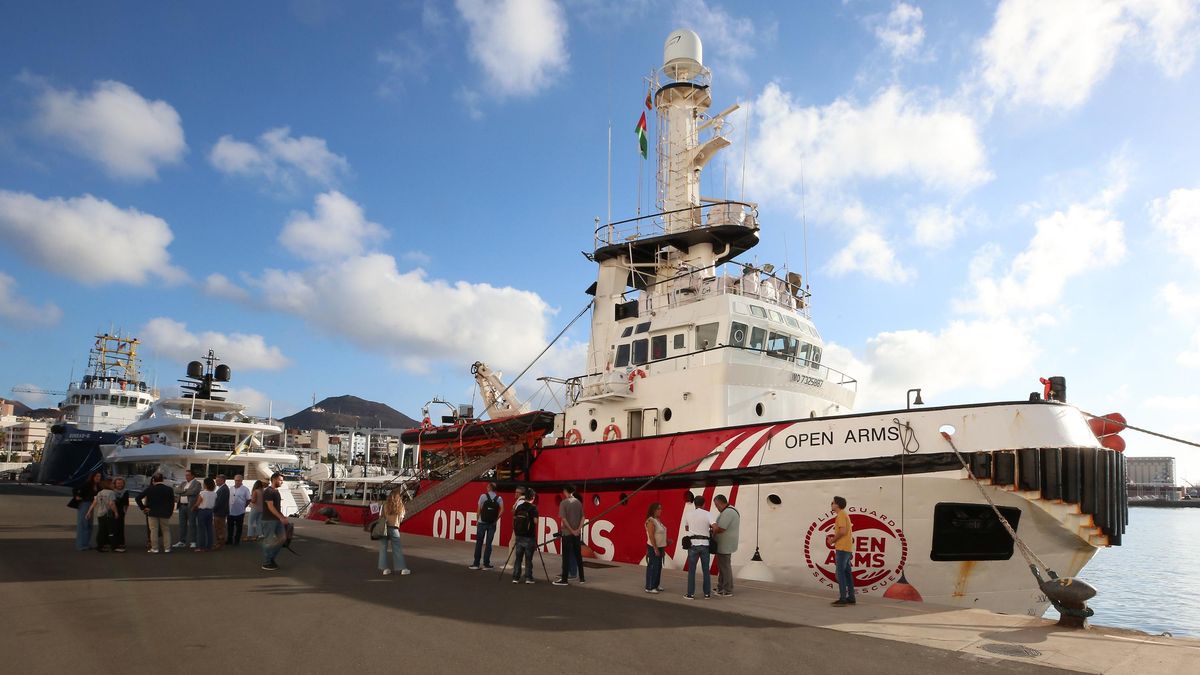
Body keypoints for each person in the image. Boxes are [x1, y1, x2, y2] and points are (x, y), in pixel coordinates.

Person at [552, 485, 585, 586]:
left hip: (567, 534)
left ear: (566, 491)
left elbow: (564, 519)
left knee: (565, 557)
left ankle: (564, 579)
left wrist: (571, 530)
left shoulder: (563, 503)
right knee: (578, 556)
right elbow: (583, 517)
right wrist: (578, 530)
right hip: (576, 534)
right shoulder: (578, 502)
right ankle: (582, 578)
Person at [684, 494, 714, 599]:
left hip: (693, 544)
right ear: (704, 504)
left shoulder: (688, 514)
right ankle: (707, 594)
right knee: (706, 570)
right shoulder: (708, 514)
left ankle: (690, 594)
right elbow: (715, 526)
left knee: (691, 570)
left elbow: (687, 528)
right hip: (705, 544)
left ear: (695, 504)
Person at [137, 473, 175, 553]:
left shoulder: (150, 489)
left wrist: (143, 508)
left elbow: (138, 498)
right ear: (163, 480)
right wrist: (170, 512)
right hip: (165, 512)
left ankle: (155, 548)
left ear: (153, 480)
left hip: (152, 512)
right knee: (166, 530)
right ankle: (167, 548)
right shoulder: (169, 489)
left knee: (153, 530)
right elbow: (172, 502)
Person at [468, 482, 502, 570]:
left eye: (487, 486)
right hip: (492, 523)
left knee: (479, 543)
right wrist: (496, 519)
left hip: (481, 522)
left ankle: (476, 564)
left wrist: (477, 520)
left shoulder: (483, 496)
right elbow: (502, 510)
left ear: (489, 488)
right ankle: (486, 564)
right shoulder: (499, 498)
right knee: (488, 544)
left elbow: (479, 509)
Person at [378, 487, 411, 576]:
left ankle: (385, 569)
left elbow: (380, 516)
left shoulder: (384, 505)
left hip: (384, 528)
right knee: (397, 549)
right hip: (394, 529)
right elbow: (401, 518)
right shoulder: (400, 506)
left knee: (383, 548)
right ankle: (402, 569)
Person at [712, 494, 740, 597]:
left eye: (716, 505)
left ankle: (727, 589)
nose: (716, 507)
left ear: (720, 503)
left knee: (725, 567)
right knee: (723, 566)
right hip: (726, 544)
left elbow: (721, 529)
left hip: (725, 545)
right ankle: (721, 587)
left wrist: (712, 528)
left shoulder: (728, 512)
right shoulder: (730, 509)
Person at [260, 472, 288, 571]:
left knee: (283, 538)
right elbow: (270, 506)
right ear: (274, 479)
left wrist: (282, 516)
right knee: (269, 541)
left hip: (276, 520)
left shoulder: (275, 491)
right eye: (280, 480)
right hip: (269, 520)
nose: (282, 482)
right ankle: (267, 562)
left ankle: (271, 557)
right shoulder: (269, 491)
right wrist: (280, 517)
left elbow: (276, 507)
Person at [831, 496, 856, 606]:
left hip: (842, 548)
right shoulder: (845, 514)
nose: (831, 504)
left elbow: (842, 531)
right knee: (847, 573)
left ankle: (843, 599)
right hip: (847, 548)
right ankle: (851, 597)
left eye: (832, 502)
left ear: (837, 504)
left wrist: (832, 540)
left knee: (840, 574)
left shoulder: (841, 515)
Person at [511, 488, 538, 584]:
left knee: (518, 558)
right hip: (529, 536)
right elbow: (535, 521)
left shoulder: (520, 507)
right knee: (528, 558)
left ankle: (515, 577)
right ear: (533, 497)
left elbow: (514, 518)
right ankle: (528, 578)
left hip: (519, 535)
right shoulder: (533, 508)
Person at [73, 471, 102, 551]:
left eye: (99, 476)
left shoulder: (98, 486)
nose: (98, 478)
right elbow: (75, 489)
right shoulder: (87, 484)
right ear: (92, 477)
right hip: (84, 504)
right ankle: (81, 545)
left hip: (91, 505)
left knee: (89, 525)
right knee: (83, 524)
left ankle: (86, 543)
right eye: (97, 476)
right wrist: (77, 496)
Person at [173, 469, 201, 548]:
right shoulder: (183, 483)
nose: (186, 477)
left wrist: (183, 491)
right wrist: (184, 490)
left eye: (188, 475)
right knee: (182, 525)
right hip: (182, 506)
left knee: (192, 524)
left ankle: (193, 541)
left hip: (191, 506)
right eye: (186, 475)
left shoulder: (197, 483)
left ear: (192, 476)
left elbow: (194, 492)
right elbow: (176, 490)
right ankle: (182, 541)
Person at [88, 479, 117, 552]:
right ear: (108, 485)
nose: (114, 485)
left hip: (100, 514)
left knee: (101, 530)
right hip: (108, 514)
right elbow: (111, 504)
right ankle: (113, 546)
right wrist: (116, 512)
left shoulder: (100, 492)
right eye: (112, 484)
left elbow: (94, 503)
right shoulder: (111, 492)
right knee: (111, 530)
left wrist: (88, 512)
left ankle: (99, 546)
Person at [644, 502, 667, 594]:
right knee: (653, 566)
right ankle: (649, 586)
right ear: (654, 510)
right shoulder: (651, 521)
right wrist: (655, 548)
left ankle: (656, 585)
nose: (660, 510)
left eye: (661, 508)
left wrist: (666, 542)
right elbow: (651, 536)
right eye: (658, 509)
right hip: (654, 547)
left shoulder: (658, 521)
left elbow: (660, 534)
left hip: (660, 547)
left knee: (659, 566)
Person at [194, 477, 216, 552]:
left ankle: (201, 547)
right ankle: (209, 546)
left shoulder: (202, 493)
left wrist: (193, 507)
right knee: (209, 529)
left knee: (201, 530)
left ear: (206, 484)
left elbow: (198, 503)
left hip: (202, 511)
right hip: (210, 511)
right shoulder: (214, 493)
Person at [227, 474, 251, 545]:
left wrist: (244, 506)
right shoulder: (231, 488)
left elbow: (249, 499)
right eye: (236, 480)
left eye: (239, 481)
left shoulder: (245, 489)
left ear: (241, 481)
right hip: (230, 511)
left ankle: (237, 540)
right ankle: (229, 540)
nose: (237, 482)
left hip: (240, 511)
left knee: (239, 527)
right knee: (230, 527)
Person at [109, 477, 129, 553]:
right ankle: (114, 543)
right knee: (113, 528)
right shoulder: (112, 492)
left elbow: (126, 503)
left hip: (121, 512)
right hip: (113, 511)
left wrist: (125, 511)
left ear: (123, 484)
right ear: (115, 484)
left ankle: (121, 543)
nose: (120, 485)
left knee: (120, 527)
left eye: (121, 483)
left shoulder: (125, 492)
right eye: (118, 483)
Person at [213, 474, 230, 550]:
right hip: (220, 512)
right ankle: (219, 542)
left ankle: (220, 543)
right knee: (219, 528)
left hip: (220, 512)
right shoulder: (223, 488)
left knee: (219, 528)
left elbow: (219, 502)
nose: (216, 482)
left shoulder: (223, 489)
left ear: (222, 480)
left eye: (217, 481)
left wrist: (213, 509)